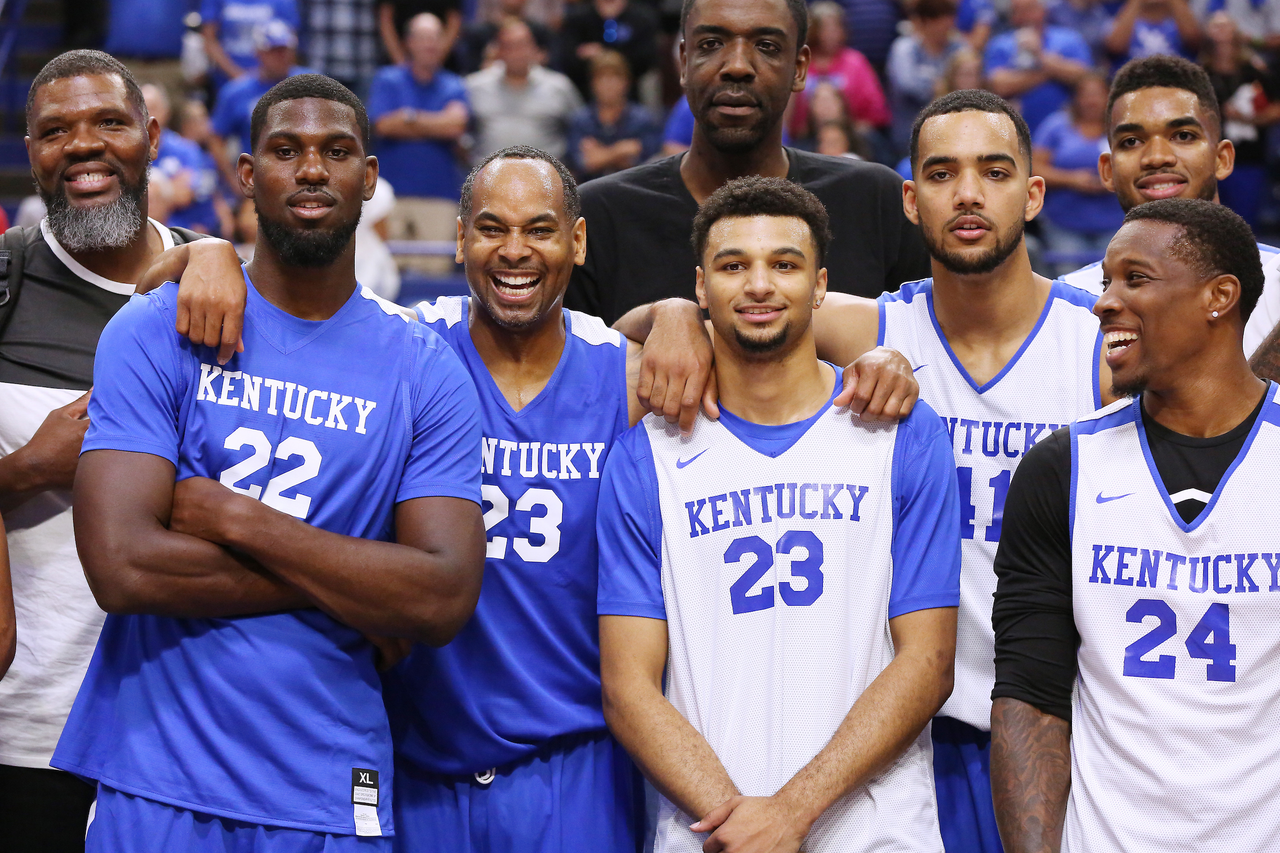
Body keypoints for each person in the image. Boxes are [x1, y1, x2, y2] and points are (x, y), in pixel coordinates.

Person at [155, 139, 922, 852]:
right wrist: (209, 251)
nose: (515, 250)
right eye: (492, 228)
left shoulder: (629, 375)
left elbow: (774, 350)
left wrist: (880, 361)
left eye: (541, 229)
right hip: (417, 754)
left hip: (578, 762)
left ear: (578, 243)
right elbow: (288, 308)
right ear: (459, 240)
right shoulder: (406, 349)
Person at [52, 73, 487, 849]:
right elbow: (122, 567)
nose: (312, 169)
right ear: (248, 174)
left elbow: (442, 597)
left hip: (328, 786)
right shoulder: (157, 329)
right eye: (286, 150)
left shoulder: (426, 368)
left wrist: (234, 517)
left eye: (336, 151)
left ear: (370, 177)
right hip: (156, 773)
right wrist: (355, 586)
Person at [596, 175, 961, 852]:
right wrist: (744, 824)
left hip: (875, 835)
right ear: (700, 288)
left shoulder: (902, 432)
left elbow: (930, 660)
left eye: (784, 265)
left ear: (820, 286)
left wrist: (792, 811)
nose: (759, 285)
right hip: (711, 835)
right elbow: (627, 687)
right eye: (733, 266)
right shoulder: (646, 453)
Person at [805, 88, 1113, 853]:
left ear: (1033, 195)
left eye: (994, 171)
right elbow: (687, 325)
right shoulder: (865, 329)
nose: (968, 193)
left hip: (1065, 735)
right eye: (942, 174)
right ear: (911, 200)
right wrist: (673, 318)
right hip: (908, 740)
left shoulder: (1101, 348)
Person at [990, 197, 1277, 853]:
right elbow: (1029, 695)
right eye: (1105, 281)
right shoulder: (1062, 467)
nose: (1104, 303)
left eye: (1135, 279)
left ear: (1219, 297)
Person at [0, 49, 227, 853]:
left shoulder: (224, 287)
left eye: (109, 122)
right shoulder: (6, 281)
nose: (84, 145)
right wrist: (26, 470)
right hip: (26, 732)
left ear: (153, 136)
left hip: (185, 731)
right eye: (55, 130)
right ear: (32, 150)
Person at [566, 0, 931, 326]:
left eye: (766, 46)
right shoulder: (597, 218)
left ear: (799, 68)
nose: (737, 66)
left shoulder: (875, 202)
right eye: (711, 44)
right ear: (684, 61)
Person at [1056, 56, 1280, 362]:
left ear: (1222, 158)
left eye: (1183, 136)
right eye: (1131, 141)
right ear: (1107, 170)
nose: (1157, 157)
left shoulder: (1277, 284)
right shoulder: (1067, 306)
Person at [367, 13, 470, 254]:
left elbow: (455, 126)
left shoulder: (455, 84)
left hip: (439, 197)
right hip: (390, 196)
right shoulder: (387, 79)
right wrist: (437, 123)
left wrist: (408, 117)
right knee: (385, 266)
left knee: (435, 269)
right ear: (408, 42)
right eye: (423, 37)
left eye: (435, 37)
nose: (429, 44)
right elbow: (383, 125)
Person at [1033, 73, 1125, 278]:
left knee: (1111, 281)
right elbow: (1034, 168)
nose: (1091, 101)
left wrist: (1112, 180)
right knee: (1070, 282)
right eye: (1086, 94)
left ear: (1109, 97)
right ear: (1075, 97)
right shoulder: (1055, 126)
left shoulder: (1122, 127)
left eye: (1097, 94)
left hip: (1115, 224)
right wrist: (1072, 179)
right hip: (1064, 225)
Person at [210, 19, 316, 189]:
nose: (281, 57)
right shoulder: (236, 92)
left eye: (284, 50)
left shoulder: (313, 85)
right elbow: (216, 138)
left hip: (308, 175)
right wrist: (235, 182)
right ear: (258, 52)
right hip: (260, 181)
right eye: (273, 51)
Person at [465, 18, 583, 163]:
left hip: (545, 174)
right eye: (510, 46)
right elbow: (462, 135)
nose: (517, 53)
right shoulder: (474, 87)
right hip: (488, 174)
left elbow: (580, 129)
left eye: (522, 45)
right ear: (499, 51)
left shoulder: (559, 86)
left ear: (534, 48)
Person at [985, 0, 1092, 134]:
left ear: (1043, 11)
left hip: (1066, 129)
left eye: (1030, 9)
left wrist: (1039, 55)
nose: (1025, 16)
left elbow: (1084, 78)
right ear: (1012, 17)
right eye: (1018, 11)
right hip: (1015, 129)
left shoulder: (1069, 39)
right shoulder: (1000, 44)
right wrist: (1053, 70)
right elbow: (999, 85)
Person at [789, 1, 890, 143]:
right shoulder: (801, 61)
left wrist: (847, 131)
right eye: (824, 28)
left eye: (835, 28)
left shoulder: (855, 62)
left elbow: (876, 112)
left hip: (850, 137)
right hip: (806, 138)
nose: (830, 34)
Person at [566, 50, 662, 182]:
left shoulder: (643, 119)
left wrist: (600, 155)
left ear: (626, 82)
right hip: (590, 189)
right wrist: (620, 151)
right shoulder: (580, 120)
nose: (608, 84)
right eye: (601, 78)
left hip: (632, 188)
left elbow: (646, 165)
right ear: (592, 83)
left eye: (614, 77)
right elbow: (582, 163)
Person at [887, 0, 966, 156]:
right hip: (910, 132)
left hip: (955, 130)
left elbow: (972, 79)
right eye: (942, 23)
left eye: (950, 23)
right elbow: (907, 85)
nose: (948, 29)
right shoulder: (905, 48)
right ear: (926, 23)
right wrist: (943, 87)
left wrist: (942, 87)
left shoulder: (958, 47)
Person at [558, 0, 661, 101]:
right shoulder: (577, 18)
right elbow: (567, 58)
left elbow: (647, 59)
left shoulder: (642, 18)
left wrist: (603, 53)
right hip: (583, 92)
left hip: (633, 92)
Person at [1103, 0, 1200, 66]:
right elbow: (1115, 47)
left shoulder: (1180, 21)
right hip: (1133, 83)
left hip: (1177, 82)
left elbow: (1195, 40)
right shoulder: (1121, 20)